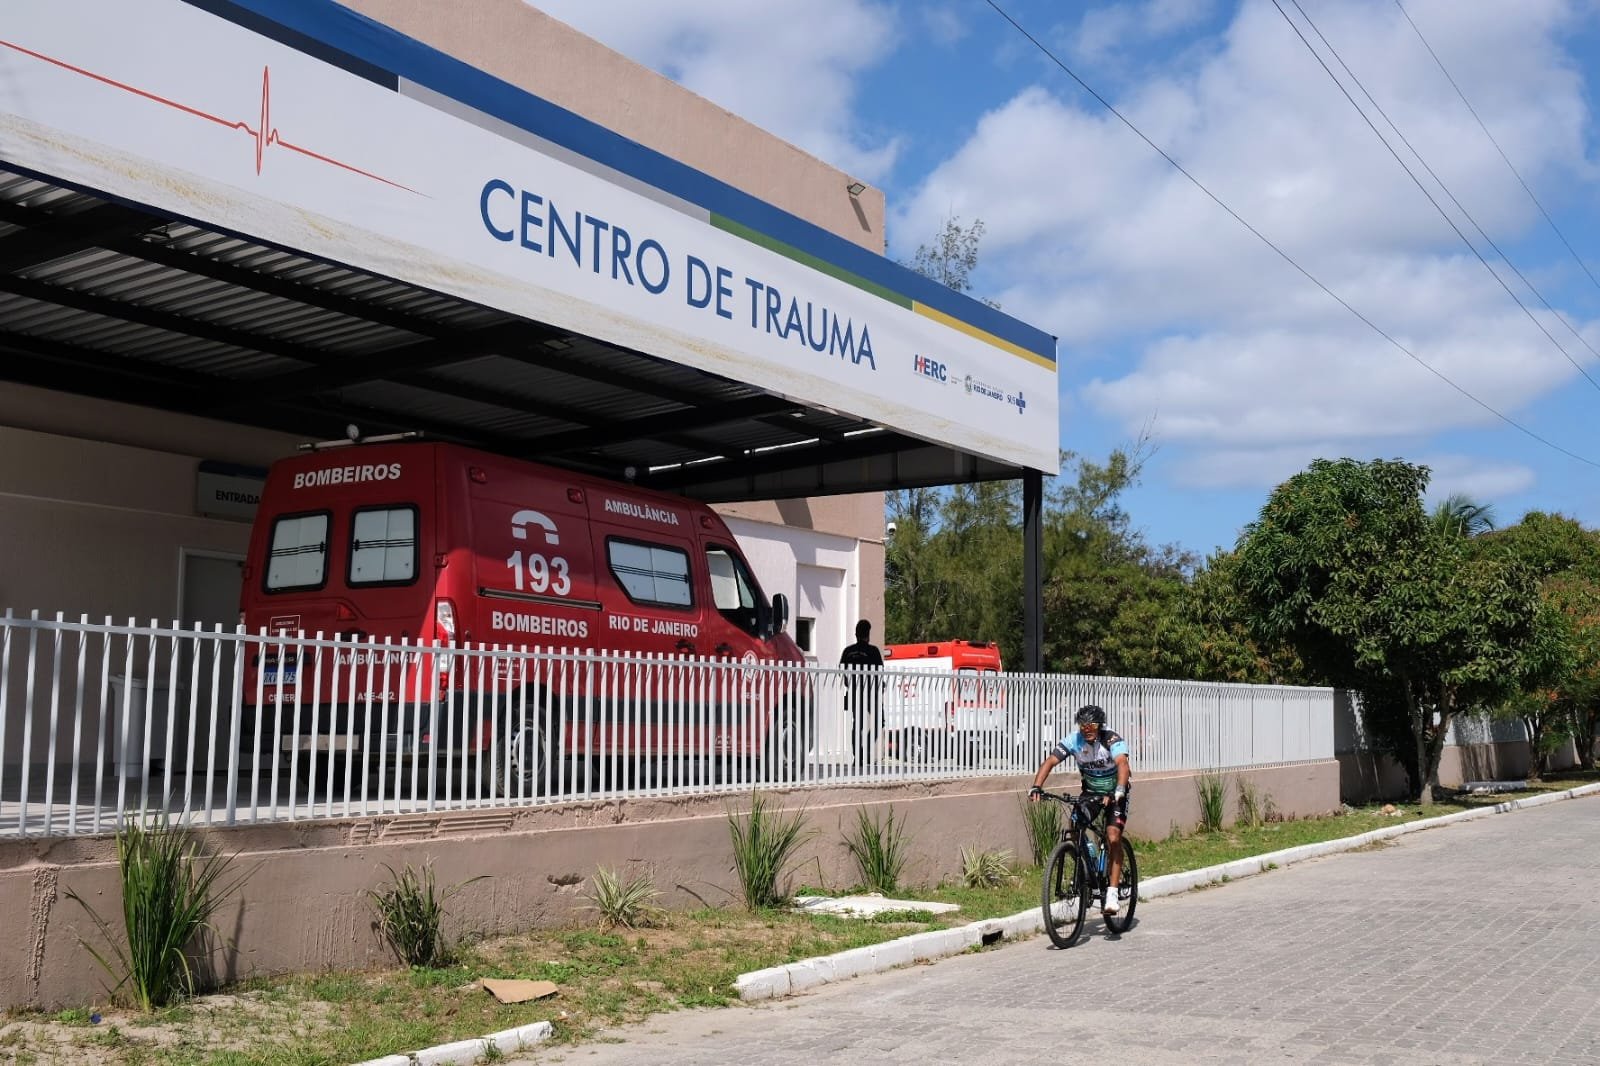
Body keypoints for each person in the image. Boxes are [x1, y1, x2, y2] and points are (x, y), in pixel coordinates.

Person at [1028, 704, 1131, 915]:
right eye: (1083, 725)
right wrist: (1037, 786)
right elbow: (1051, 761)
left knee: (1113, 837)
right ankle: (1087, 866)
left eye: (1091, 724)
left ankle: (1111, 892)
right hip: (1091, 792)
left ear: (1099, 725)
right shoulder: (1074, 740)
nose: (1087, 728)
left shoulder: (1111, 739)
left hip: (1115, 793)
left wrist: (1119, 789)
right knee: (1075, 827)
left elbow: (1122, 764)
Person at [839, 619, 883, 767]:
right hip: (871, 693)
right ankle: (863, 751)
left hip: (854, 692)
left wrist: (850, 684)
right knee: (878, 723)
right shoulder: (873, 651)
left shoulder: (848, 651)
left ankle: (857, 755)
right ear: (867, 634)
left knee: (857, 725)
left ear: (856, 634)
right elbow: (879, 673)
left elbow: (842, 672)